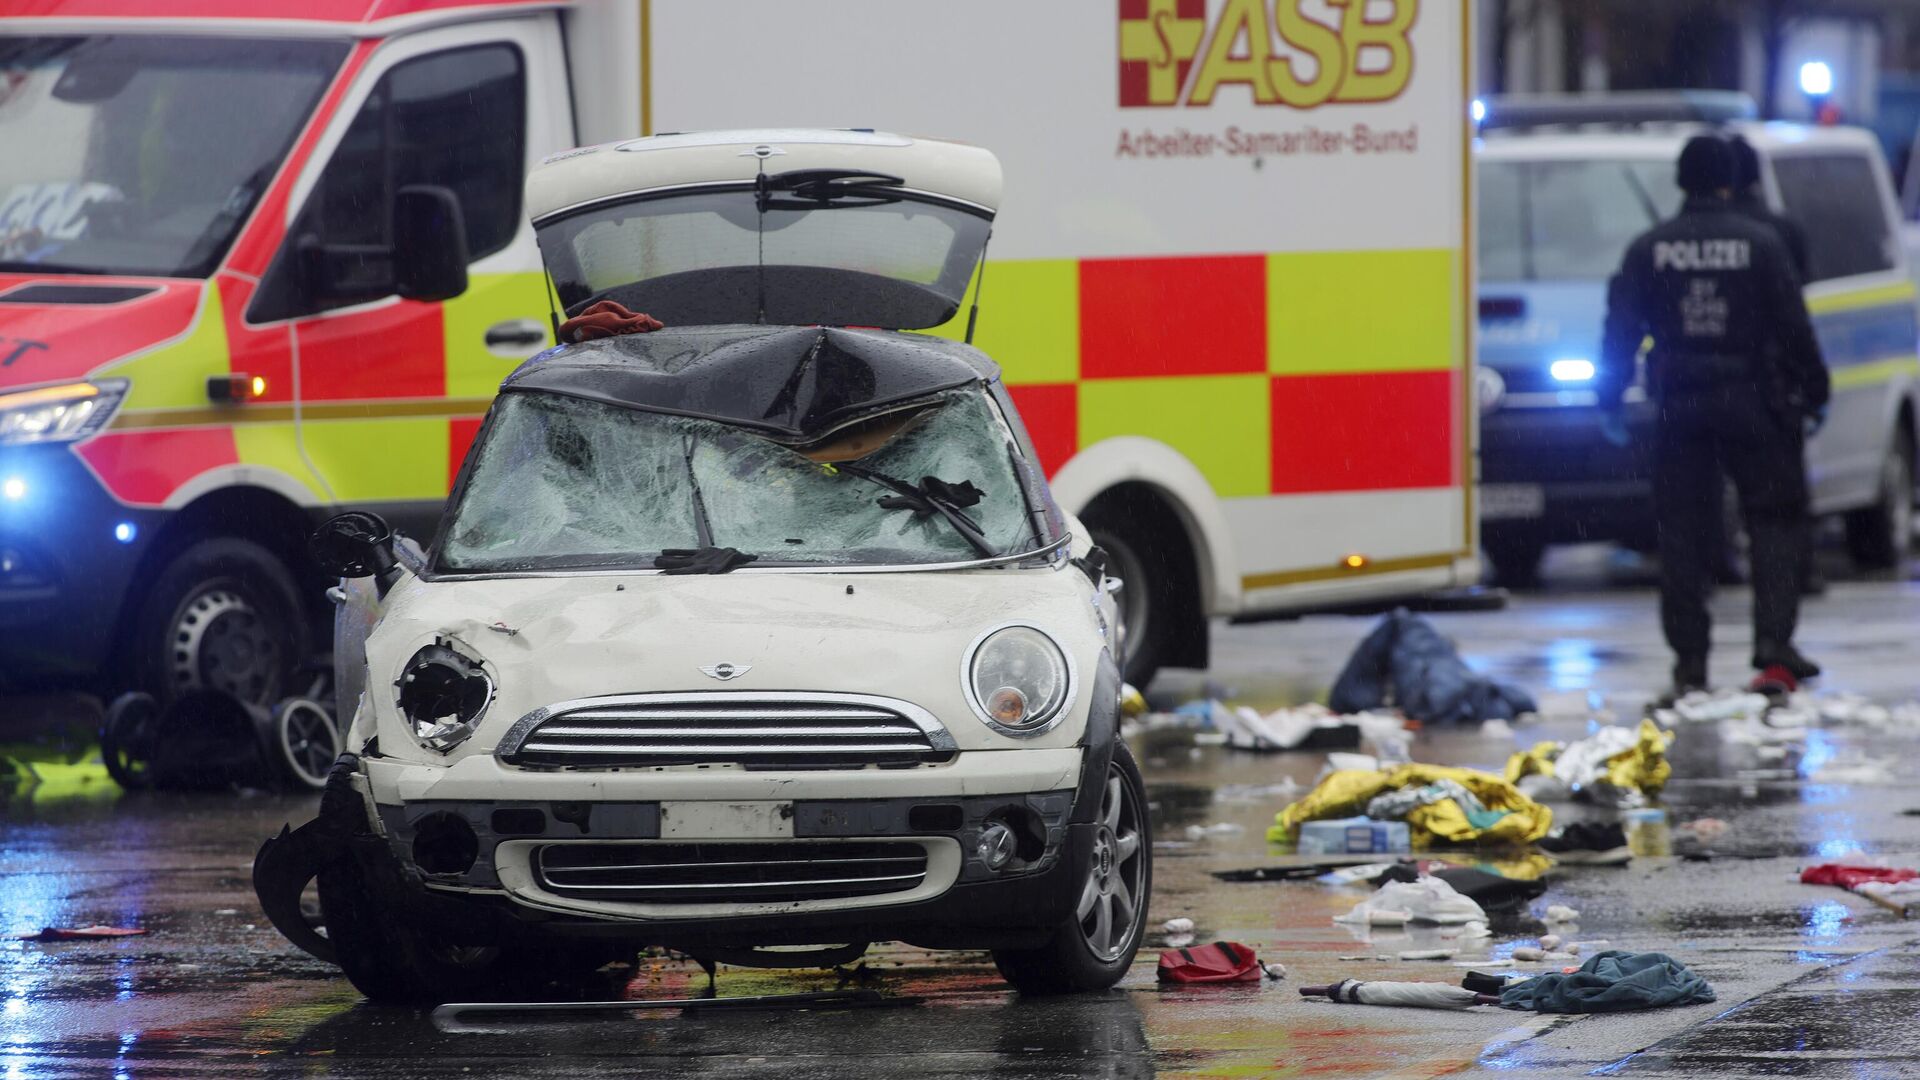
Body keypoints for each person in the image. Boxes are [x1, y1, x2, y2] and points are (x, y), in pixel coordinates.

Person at [1598, 135, 1830, 694]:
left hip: (1680, 404)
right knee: (1773, 520)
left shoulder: (1649, 247)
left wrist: (1609, 399)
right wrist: (1816, 391)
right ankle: (1773, 648)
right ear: (1731, 180)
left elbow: (1620, 331)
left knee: (1683, 530)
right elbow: (1794, 327)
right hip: (1754, 401)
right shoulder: (1763, 243)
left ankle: (1690, 661)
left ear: (1681, 182)